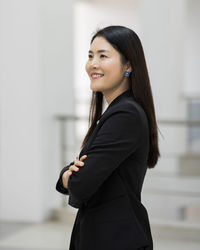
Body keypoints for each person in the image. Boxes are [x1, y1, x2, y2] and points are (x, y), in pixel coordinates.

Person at [56, 25, 160, 250]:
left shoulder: (126, 114)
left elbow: (81, 184)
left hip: (116, 239)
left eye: (103, 56)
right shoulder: (117, 111)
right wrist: (73, 175)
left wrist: (67, 176)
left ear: (128, 65)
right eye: (90, 56)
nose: (93, 63)